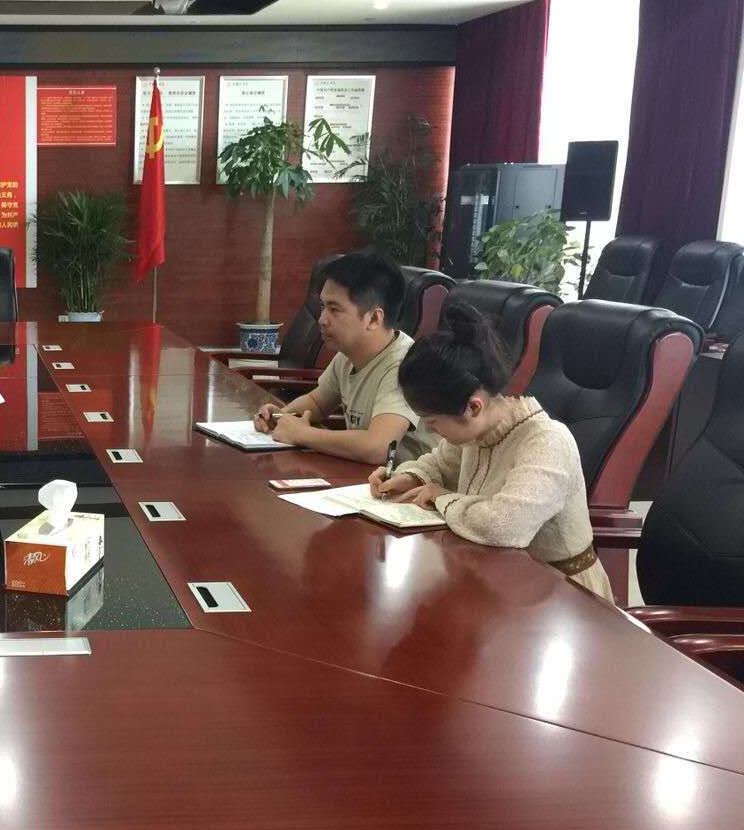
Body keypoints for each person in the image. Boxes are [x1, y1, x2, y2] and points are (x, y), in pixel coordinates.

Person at [368, 303, 612, 600]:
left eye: (432, 423)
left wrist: (440, 497)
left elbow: (504, 525)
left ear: (473, 407)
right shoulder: (477, 432)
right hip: (497, 580)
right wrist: (409, 477)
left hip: (563, 596)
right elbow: (439, 464)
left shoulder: (547, 441)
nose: (430, 432)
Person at [253, 250, 437, 464]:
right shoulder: (348, 354)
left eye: (334, 309)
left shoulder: (405, 365)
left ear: (374, 319)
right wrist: (281, 416)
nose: (322, 320)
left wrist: (302, 434)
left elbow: (379, 447)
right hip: (364, 476)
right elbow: (317, 402)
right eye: (322, 307)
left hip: (408, 482)